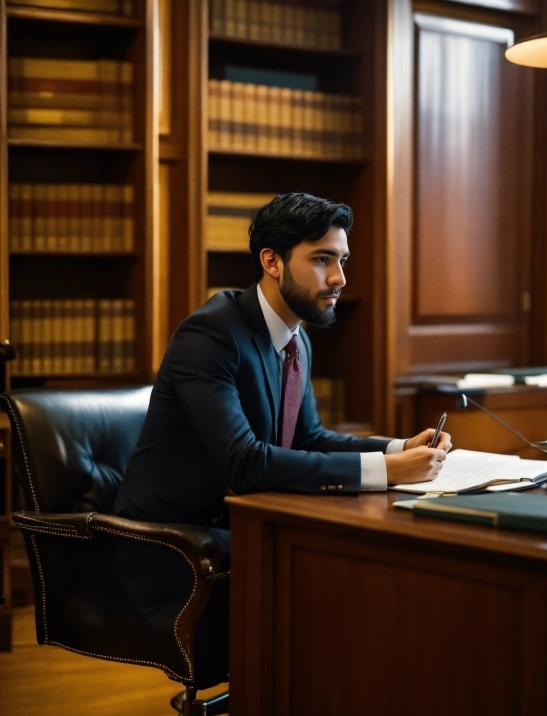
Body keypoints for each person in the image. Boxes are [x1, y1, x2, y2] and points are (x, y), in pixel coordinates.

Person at [114, 192, 450, 545]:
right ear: (272, 262)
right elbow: (243, 462)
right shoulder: (210, 335)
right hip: (173, 549)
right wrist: (385, 471)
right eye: (323, 259)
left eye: (342, 261)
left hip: (242, 530)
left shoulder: (297, 338)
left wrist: (397, 449)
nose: (339, 279)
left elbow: (309, 439)